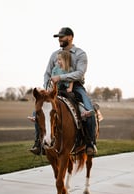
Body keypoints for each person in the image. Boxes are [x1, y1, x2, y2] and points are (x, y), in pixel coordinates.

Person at [30, 27, 97, 156]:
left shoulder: (80, 54)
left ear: (70, 37)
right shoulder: (54, 55)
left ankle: (90, 143)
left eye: (62, 37)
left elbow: (79, 73)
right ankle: (39, 143)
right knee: (38, 112)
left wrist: (60, 77)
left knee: (89, 111)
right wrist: (47, 88)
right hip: (54, 89)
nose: (59, 39)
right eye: (58, 37)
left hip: (75, 87)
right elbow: (47, 73)